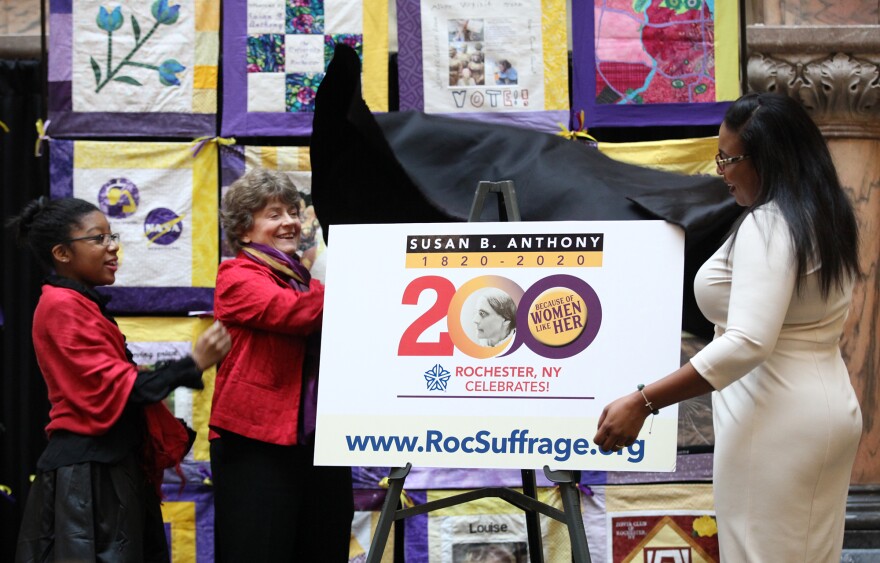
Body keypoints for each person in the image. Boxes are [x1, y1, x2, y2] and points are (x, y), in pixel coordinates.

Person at [594, 92, 862, 562]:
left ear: (768, 161)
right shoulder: (827, 215)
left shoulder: (770, 225)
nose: (721, 170)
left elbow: (747, 343)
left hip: (775, 418)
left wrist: (643, 401)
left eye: (728, 158)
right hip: (824, 408)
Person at [8, 197, 231, 562]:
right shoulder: (61, 305)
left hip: (109, 467)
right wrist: (193, 362)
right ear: (62, 253)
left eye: (111, 237)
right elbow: (123, 389)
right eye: (98, 239)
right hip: (89, 476)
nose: (113, 247)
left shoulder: (80, 303)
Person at [210, 168, 353, 561]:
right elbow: (291, 313)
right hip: (255, 445)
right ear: (243, 230)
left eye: (292, 211)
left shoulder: (306, 282)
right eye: (273, 214)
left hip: (318, 441)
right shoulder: (236, 276)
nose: (290, 221)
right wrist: (359, 281)